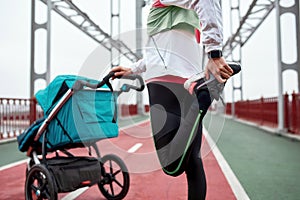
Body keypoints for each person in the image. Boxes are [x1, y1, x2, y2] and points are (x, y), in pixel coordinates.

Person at [111, 0, 240, 199]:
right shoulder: (183, 11)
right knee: (193, 162)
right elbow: (165, 50)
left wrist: (214, 53)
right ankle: (201, 98)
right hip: (190, 81)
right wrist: (133, 69)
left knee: (170, 164)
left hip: (164, 83)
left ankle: (201, 102)